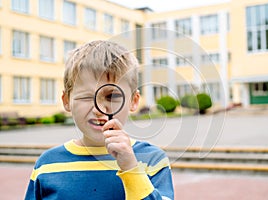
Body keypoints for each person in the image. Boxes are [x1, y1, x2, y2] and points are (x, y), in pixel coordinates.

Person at [25, 40, 174, 200]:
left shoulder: (152, 160)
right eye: (86, 97)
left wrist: (131, 168)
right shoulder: (47, 165)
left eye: (112, 96)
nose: (98, 109)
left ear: (133, 101)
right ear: (67, 101)